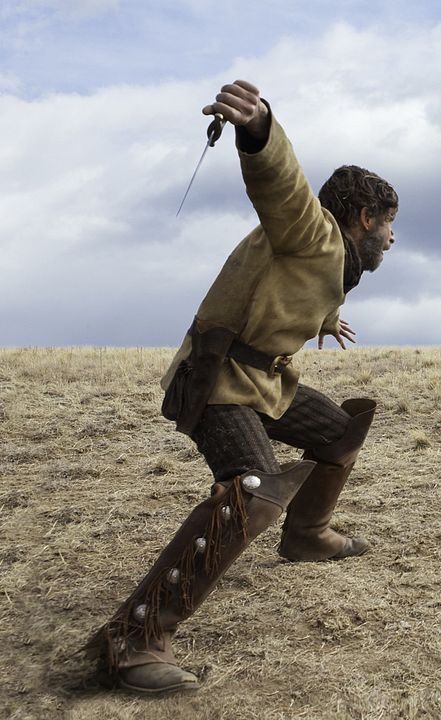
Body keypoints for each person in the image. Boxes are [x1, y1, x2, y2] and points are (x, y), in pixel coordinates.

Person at [84, 79, 398, 694]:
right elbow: (280, 184)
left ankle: (307, 535)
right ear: (364, 218)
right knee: (252, 490)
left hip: (265, 382)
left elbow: (287, 287)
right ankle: (134, 640)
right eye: (389, 224)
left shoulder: (329, 258)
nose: (392, 237)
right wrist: (260, 129)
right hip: (219, 378)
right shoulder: (310, 229)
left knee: (341, 431)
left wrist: (323, 317)